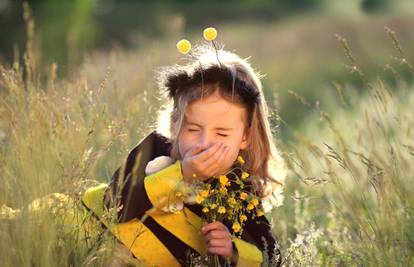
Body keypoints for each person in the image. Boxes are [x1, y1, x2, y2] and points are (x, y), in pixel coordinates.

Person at [82, 40, 286, 266]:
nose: (204, 143)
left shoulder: (240, 188)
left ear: (245, 137)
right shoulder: (156, 147)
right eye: (193, 129)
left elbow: (272, 257)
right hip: (88, 235)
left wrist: (233, 250)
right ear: (175, 124)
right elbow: (114, 204)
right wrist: (182, 175)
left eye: (222, 133)